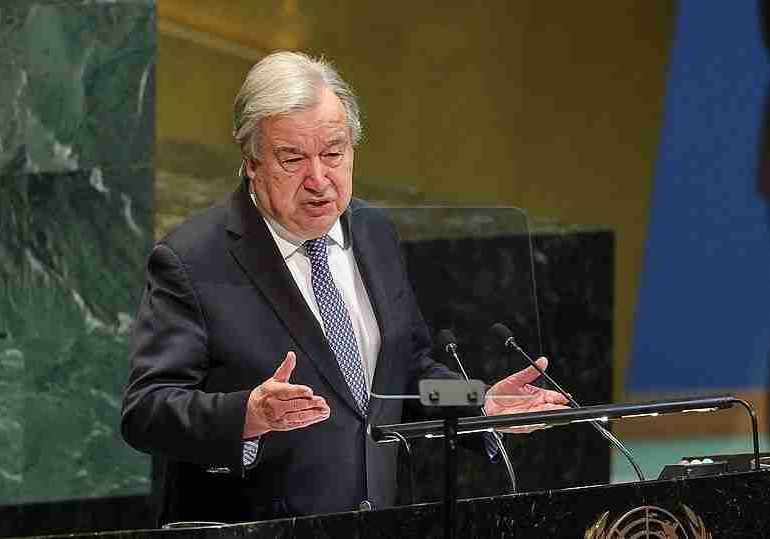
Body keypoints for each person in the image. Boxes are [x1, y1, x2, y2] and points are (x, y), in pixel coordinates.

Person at [120, 51, 568, 525]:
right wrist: (246, 415)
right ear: (251, 163)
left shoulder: (373, 232)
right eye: (293, 158)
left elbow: (404, 375)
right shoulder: (192, 259)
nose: (318, 180)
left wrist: (479, 403)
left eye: (333, 153)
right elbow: (146, 410)